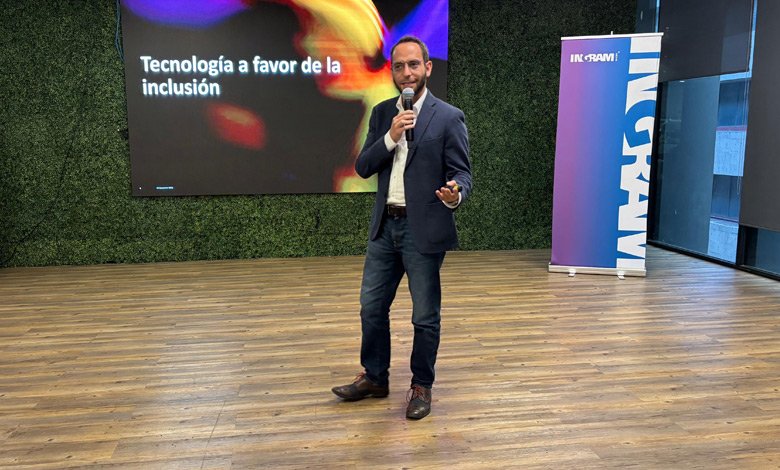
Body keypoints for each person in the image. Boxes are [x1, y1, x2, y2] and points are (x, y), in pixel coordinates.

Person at [331, 36, 472, 420]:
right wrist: (392, 136)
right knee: (371, 307)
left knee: (424, 316)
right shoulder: (382, 114)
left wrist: (454, 194)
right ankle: (375, 377)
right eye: (399, 66)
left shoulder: (448, 117)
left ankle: (421, 385)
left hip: (422, 230)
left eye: (413, 64)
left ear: (428, 67)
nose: (406, 73)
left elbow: (462, 173)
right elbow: (363, 166)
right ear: (392, 71)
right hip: (385, 228)